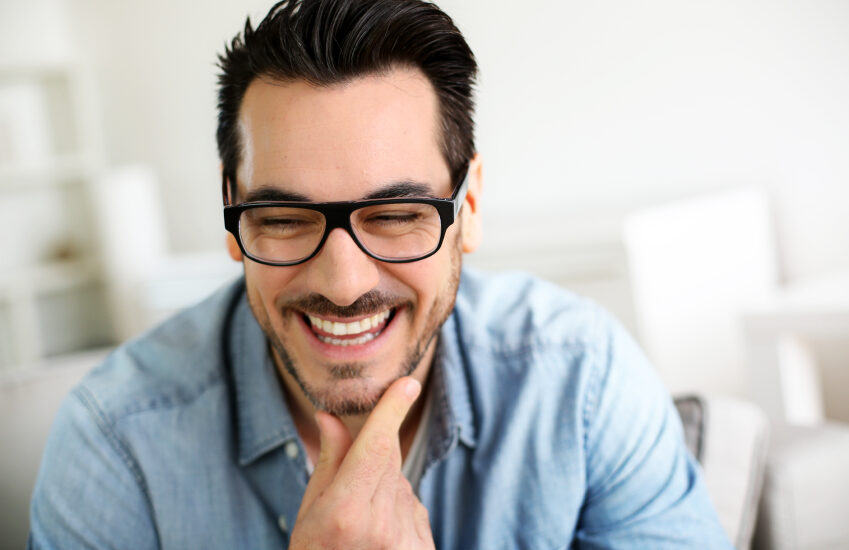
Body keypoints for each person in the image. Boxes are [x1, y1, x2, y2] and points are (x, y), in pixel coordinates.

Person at [29, 0, 732, 548]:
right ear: (232, 213)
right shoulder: (116, 442)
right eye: (283, 218)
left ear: (467, 210)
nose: (342, 283)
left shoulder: (582, 381)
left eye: (395, 215)